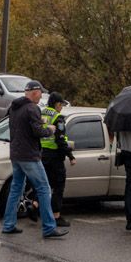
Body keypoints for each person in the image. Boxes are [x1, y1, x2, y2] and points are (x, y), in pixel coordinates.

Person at [1, 80, 68, 240]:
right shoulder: (32, 108)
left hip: (16, 154)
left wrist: (40, 124)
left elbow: (22, 128)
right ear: (35, 92)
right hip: (29, 156)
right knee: (44, 188)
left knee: (16, 188)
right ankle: (49, 227)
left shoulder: (14, 107)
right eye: (40, 93)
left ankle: (8, 225)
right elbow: (38, 131)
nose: (41, 96)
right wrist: (50, 129)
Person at [38, 92, 76, 227]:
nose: (62, 108)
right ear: (57, 104)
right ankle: (56, 216)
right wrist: (70, 156)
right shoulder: (58, 118)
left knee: (45, 184)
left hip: (41, 154)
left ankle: (35, 205)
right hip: (55, 156)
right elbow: (60, 140)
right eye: (61, 105)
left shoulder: (41, 113)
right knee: (58, 186)